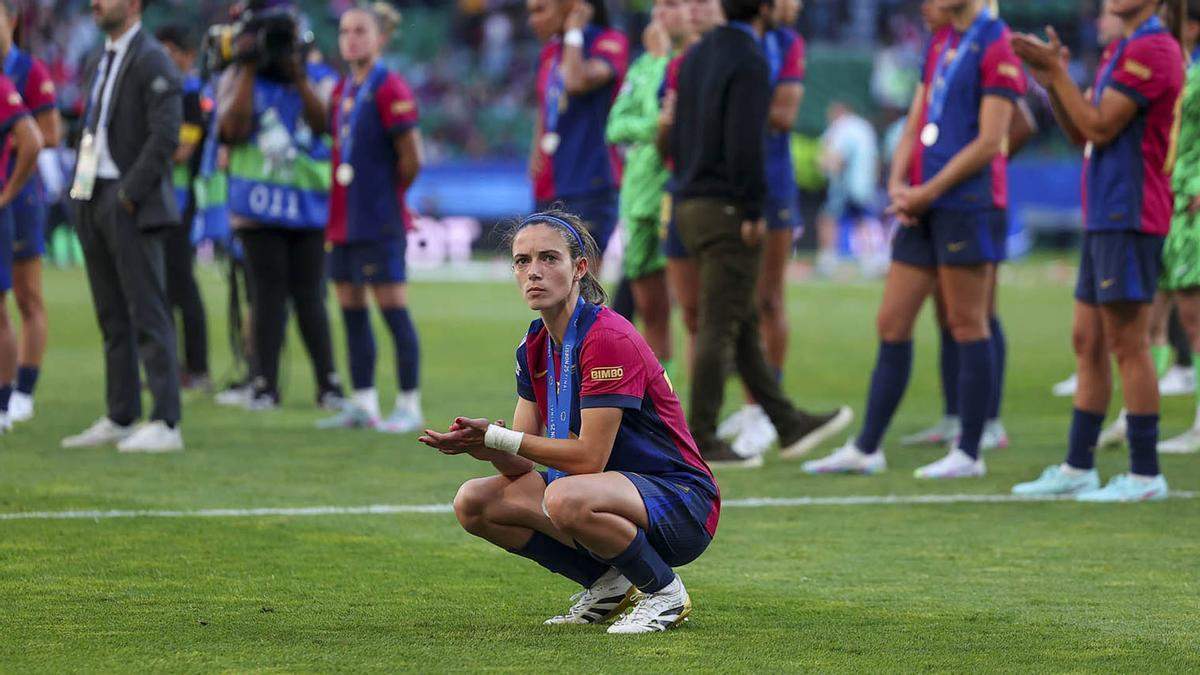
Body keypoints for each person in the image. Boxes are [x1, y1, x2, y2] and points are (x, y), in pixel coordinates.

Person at [421, 210, 718, 634]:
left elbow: (587, 459)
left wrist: (503, 438)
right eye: (522, 261)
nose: (533, 272)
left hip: (681, 502)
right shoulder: (533, 345)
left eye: (549, 258)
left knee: (565, 496)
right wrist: (486, 446)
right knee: (474, 502)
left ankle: (665, 594)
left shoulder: (607, 338)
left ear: (579, 268)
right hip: (601, 492)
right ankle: (609, 585)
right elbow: (522, 459)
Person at [803, 0, 1025, 478]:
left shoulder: (995, 41)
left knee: (968, 323)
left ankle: (969, 452)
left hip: (965, 204)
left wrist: (926, 192)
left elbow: (991, 141)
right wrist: (899, 182)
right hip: (922, 205)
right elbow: (916, 118)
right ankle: (867, 448)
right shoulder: (941, 39)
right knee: (892, 321)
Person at [1010, 0, 1182, 501]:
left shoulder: (1153, 49)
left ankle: (1146, 474)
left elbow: (1102, 125)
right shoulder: (1121, 49)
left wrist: (1056, 72)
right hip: (1104, 211)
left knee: (1128, 342)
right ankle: (1078, 466)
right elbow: (1079, 129)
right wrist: (1050, 80)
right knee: (1087, 341)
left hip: (1130, 211)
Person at [669, 0, 848, 466]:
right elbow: (746, 139)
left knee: (743, 318)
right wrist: (752, 206)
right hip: (728, 205)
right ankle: (702, 438)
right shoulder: (749, 57)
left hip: (689, 200)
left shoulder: (695, 55)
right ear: (765, 8)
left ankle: (786, 423)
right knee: (718, 324)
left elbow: (674, 132)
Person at [61, 0, 185, 452]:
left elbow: (166, 133)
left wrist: (129, 193)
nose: (96, 2)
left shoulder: (153, 58)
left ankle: (167, 422)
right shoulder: (101, 57)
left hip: (129, 200)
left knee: (148, 311)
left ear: (133, 5)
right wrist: (79, 190)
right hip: (93, 195)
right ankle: (121, 413)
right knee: (112, 315)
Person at [217, 0, 344, 411]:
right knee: (267, 296)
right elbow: (229, 129)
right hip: (258, 208)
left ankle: (328, 383)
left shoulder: (317, 77)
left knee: (310, 296)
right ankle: (264, 385)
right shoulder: (239, 76)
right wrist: (249, 67)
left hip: (307, 205)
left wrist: (299, 77)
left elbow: (325, 123)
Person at [318, 7, 424, 432]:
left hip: (379, 220)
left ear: (380, 39)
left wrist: (388, 196)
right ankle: (363, 403)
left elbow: (412, 157)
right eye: (345, 31)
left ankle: (408, 404)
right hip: (343, 219)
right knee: (351, 310)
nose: (351, 39)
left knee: (393, 310)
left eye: (360, 31)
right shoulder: (342, 89)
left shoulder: (389, 86)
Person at [604, 0, 690, 376]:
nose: (658, 17)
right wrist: (650, 128)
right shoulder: (642, 65)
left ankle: (700, 412)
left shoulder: (681, 63)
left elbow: (672, 123)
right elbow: (614, 126)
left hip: (671, 191)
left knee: (690, 308)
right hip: (638, 195)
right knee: (651, 308)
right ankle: (662, 400)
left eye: (669, 6)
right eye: (656, 9)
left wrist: (660, 60)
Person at [527, 0, 628, 258]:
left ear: (569, 6)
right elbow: (545, 104)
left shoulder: (608, 42)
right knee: (543, 285)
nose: (532, 20)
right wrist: (536, 152)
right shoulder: (549, 52)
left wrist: (574, 31)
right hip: (550, 182)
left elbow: (575, 81)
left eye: (541, 10)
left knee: (582, 286)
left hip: (590, 180)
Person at [0, 0, 60, 424]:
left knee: (27, 294)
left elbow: (49, 135)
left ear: (11, 21)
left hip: (20, 197)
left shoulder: (30, 71)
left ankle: (23, 390)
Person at [155, 24, 210, 393]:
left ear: (185, 55)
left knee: (182, 286)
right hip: (163, 201)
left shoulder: (192, 94)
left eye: (167, 51)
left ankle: (198, 369)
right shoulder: (172, 91)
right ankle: (171, 368)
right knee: (162, 288)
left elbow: (182, 151)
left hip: (180, 202)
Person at [1156, 0, 1200, 454]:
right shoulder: (1189, 68)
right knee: (1181, 311)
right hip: (1177, 199)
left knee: (1192, 314)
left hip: (1191, 201)